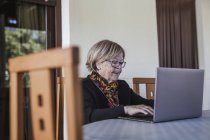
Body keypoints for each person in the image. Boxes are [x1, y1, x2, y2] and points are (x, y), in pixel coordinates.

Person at [82, 39, 154, 124]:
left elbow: (145, 104)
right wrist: (125, 109)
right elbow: (88, 116)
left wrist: (167, 103)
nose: (119, 67)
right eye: (114, 62)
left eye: (120, 63)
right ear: (98, 65)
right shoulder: (83, 86)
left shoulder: (122, 86)